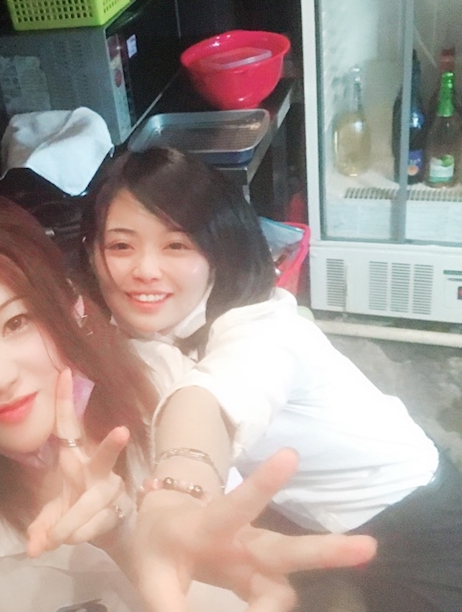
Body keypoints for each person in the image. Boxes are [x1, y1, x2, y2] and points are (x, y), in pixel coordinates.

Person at [0, 192, 377, 612]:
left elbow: (198, 413)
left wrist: (144, 521)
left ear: (70, 305)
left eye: (16, 323)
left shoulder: (157, 378)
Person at [80, 145, 462, 612]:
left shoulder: (267, 329)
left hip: (418, 517)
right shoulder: (146, 332)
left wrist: (177, 495)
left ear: (219, 252)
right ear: (92, 253)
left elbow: (205, 401)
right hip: (309, 521)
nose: (144, 270)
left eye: (177, 245)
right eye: (120, 246)